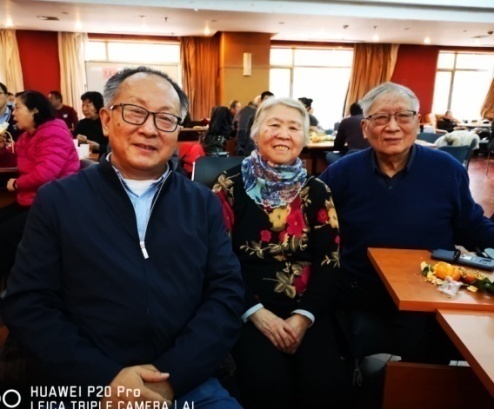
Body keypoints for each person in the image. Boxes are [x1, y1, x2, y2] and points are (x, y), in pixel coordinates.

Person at [2, 66, 244, 408]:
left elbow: (226, 294)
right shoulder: (58, 200)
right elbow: (28, 303)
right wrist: (104, 381)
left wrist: (170, 378)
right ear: (106, 120)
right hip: (87, 383)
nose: (149, 129)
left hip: (186, 381)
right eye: (134, 112)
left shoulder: (201, 203)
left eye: (165, 118)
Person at [318, 82, 494, 366]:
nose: (392, 127)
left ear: (417, 121)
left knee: (431, 352)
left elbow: (471, 225)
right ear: (365, 127)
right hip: (359, 285)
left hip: (429, 287)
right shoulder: (341, 173)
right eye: (381, 117)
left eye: (403, 116)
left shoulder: (446, 169)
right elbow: (315, 229)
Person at [213, 97, 351, 409]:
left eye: (293, 127)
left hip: (307, 308)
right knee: (266, 386)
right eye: (274, 124)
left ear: (304, 137)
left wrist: (304, 317)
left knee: (326, 387)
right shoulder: (229, 186)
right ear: (255, 132)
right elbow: (217, 259)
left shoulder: (317, 191)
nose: (283, 134)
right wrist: (255, 313)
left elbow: (329, 260)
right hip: (248, 308)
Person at [0, 90, 80, 280]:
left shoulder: (54, 132)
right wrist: (2, 149)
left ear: (34, 111)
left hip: (54, 202)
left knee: (5, 235)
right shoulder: (28, 135)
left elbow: (46, 173)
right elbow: (16, 157)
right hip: (31, 198)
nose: (13, 113)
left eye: (17, 108)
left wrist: (17, 184)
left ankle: (16, 282)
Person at [73, 91, 108, 156]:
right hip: (85, 158)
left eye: (88, 106)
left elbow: (115, 148)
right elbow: (71, 140)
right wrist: (77, 138)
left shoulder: (107, 123)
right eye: (83, 105)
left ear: (97, 107)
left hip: (103, 158)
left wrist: (98, 147)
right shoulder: (82, 123)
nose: (84, 109)